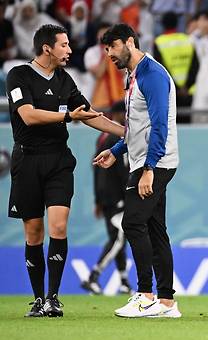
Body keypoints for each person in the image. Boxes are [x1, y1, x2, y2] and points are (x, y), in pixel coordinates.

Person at [6, 24, 124, 317]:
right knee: (34, 232)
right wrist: (67, 115)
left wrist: (128, 133)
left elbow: (88, 115)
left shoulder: (64, 80)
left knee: (58, 226)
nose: (70, 50)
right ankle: (36, 299)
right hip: (27, 161)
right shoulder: (18, 75)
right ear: (47, 48)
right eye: (64, 45)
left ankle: (53, 297)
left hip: (58, 161)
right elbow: (28, 115)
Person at [94, 23, 181, 318]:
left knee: (132, 223)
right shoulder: (134, 75)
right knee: (156, 229)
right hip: (146, 161)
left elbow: (160, 125)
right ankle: (167, 302)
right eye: (106, 50)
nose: (109, 54)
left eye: (113, 47)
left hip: (154, 163)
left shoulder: (152, 75)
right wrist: (116, 150)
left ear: (129, 42)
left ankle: (145, 295)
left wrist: (149, 169)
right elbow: (135, 127)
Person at [81, 101, 133, 295]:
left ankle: (124, 282)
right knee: (119, 238)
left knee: (116, 236)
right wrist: (129, 195)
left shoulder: (102, 137)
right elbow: (122, 171)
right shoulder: (116, 138)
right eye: (125, 113)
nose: (126, 117)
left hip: (105, 197)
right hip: (117, 197)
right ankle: (93, 276)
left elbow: (95, 169)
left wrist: (97, 199)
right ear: (119, 114)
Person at [153, 11, 199, 123]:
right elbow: (195, 66)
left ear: (162, 24)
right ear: (177, 24)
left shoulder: (159, 42)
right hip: (189, 93)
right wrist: (186, 87)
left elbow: (160, 69)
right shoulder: (187, 39)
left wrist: (177, 88)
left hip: (171, 93)